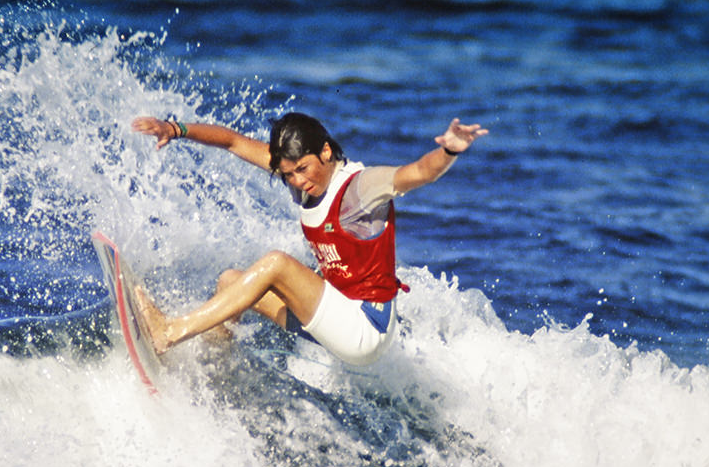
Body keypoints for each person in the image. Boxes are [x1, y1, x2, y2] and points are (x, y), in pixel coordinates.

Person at [130, 113, 486, 365]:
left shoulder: (360, 189)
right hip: (334, 318)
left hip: (364, 328)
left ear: (326, 153)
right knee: (231, 282)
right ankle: (212, 366)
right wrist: (174, 129)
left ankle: (171, 332)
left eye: (303, 169)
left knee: (276, 264)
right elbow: (233, 142)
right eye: (288, 174)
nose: (297, 181)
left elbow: (420, 172)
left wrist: (450, 150)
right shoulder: (299, 176)